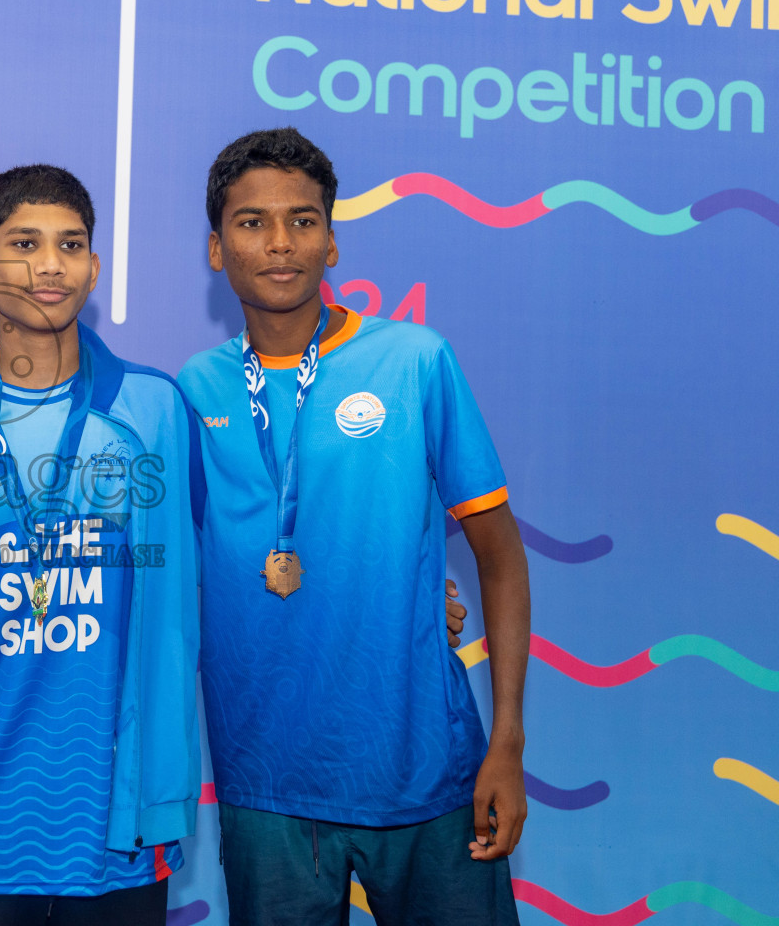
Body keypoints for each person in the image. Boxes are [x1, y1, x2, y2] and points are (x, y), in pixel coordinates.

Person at [178, 128, 530, 926]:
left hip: (425, 772)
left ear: (333, 241)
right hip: (265, 781)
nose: (279, 243)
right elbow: (180, 574)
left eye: (303, 221)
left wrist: (506, 741)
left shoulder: (413, 361)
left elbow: (501, 560)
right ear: (214, 247)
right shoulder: (192, 391)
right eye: (251, 221)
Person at [0, 166, 200, 925]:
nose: (51, 264)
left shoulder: (153, 409)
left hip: (116, 834)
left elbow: (215, 560)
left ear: (94, 266)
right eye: (25, 243)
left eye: (72, 244)